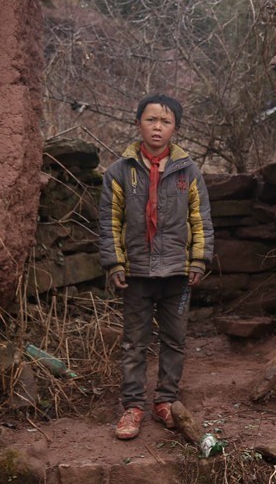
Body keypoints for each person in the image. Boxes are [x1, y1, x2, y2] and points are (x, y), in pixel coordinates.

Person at [98, 93, 214, 440]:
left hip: (177, 272)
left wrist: (199, 259)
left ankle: (166, 401)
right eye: (151, 120)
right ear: (138, 124)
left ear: (175, 128)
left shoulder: (188, 171)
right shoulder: (119, 172)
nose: (157, 127)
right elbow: (110, 223)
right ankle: (132, 406)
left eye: (165, 121)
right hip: (137, 272)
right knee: (134, 343)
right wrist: (115, 263)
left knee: (174, 340)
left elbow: (201, 220)